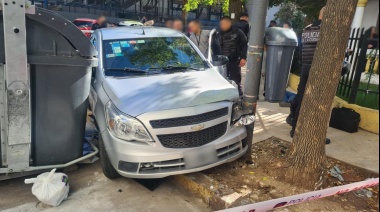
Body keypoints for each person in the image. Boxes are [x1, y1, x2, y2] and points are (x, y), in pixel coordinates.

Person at [286, 7, 331, 144]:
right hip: (319, 70)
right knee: (319, 103)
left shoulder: (307, 29)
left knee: (301, 98)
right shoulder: (328, 30)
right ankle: (316, 135)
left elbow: (301, 49)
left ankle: (295, 130)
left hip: (305, 67)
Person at [218, 16, 248, 96]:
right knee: (222, 80)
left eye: (224, 24)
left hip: (234, 60)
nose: (223, 26)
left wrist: (243, 58)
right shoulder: (218, 33)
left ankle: (238, 94)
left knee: (235, 79)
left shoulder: (238, 32)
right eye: (221, 24)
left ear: (229, 23)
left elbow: (244, 44)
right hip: (221, 62)